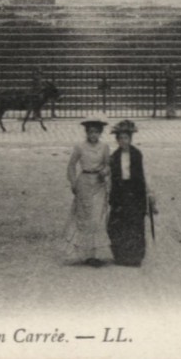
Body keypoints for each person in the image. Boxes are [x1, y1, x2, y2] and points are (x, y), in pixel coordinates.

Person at [107, 119, 157, 267]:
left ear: (130, 139)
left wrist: (150, 193)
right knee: (118, 224)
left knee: (135, 224)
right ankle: (121, 256)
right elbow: (111, 177)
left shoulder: (137, 155)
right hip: (120, 193)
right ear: (117, 140)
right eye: (120, 138)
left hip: (135, 192)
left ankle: (135, 256)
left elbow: (145, 174)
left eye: (126, 138)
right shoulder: (114, 156)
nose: (123, 141)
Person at [64, 113, 112, 266]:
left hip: (99, 185)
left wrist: (105, 171)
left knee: (97, 219)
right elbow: (71, 165)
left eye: (96, 132)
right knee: (85, 218)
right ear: (86, 133)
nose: (93, 135)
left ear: (100, 133)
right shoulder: (80, 147)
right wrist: (73, 183)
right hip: (84, 182)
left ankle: (96, 254)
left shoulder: (104, 147)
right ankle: (86, 254)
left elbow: (108, 164)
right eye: (90, 132)